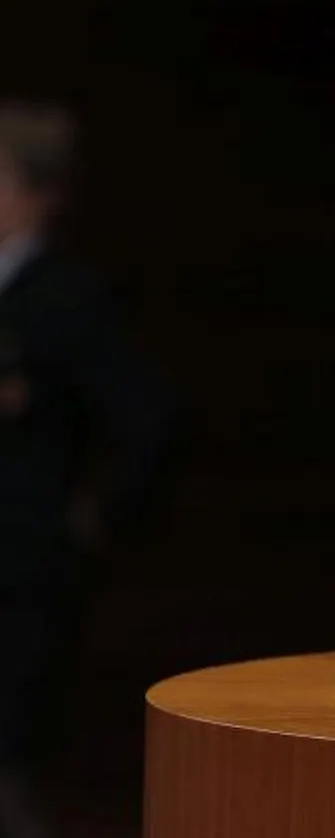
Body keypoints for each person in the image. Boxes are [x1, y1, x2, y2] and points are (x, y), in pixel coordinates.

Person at [0, 101, 177, 836]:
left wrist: (96, 520)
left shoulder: (68, 297)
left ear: (36, 192)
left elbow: (153, 417)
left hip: (18, 570)